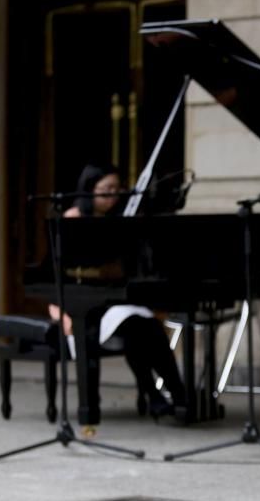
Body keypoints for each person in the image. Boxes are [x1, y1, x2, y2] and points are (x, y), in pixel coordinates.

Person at [50, 163, 187, 419]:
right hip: (83, 308)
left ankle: (175, 395)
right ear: (89, 190)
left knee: (147, 327)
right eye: (106, 190)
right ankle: (161, 396)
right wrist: (61, 314)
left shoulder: (120, 220)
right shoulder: (73, 220)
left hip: (111, 303)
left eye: (117, 189)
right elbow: (55, 275)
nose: (113, 195)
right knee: (138, 326)